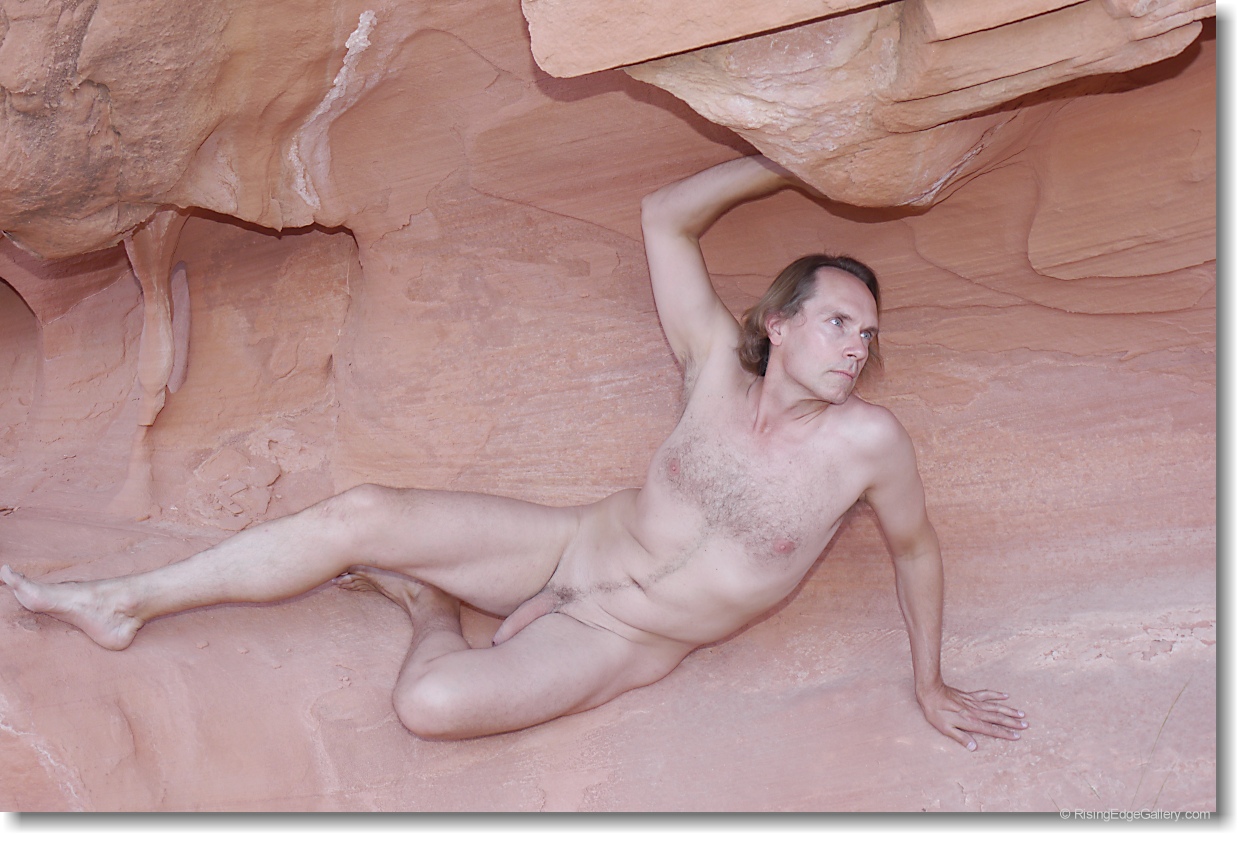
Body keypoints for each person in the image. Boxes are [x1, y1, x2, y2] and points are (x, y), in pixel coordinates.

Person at [1, 155, 1027, 750]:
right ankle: (123, 600)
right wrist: (794, 162)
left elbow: (917, 551)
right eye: (840, 322)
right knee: (362, 512)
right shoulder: (715, 361)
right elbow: (663, 219)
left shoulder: (866, 444)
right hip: (564, 548)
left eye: (867, 334)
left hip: (623, 639)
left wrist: (929, 682)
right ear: (780, 321)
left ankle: (428, 609)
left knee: (429, 705)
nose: (856, 347)